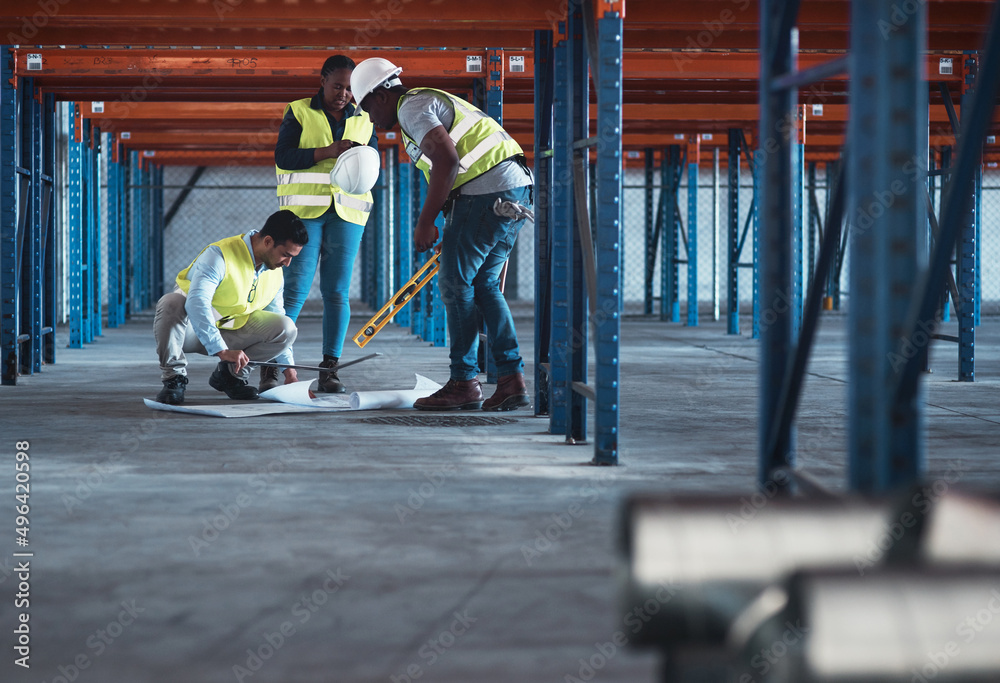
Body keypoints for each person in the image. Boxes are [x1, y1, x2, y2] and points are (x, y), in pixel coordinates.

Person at [351, 57, 533, 412]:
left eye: (367, 107)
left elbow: (448, 161)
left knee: (454, 284)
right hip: (513, 191)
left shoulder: (411, 107)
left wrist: (426, 221)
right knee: (483, 286)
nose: (370, 118)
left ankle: (464, 382)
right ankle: (511, 380)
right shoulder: (426, 103)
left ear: (381, 95)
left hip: (486, 194)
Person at [274, 54, 379, 394]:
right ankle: (275, 363)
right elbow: (284, 156)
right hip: (304, 214)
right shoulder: (299, 111)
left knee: (336, 292)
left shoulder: (365, 117)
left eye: (350, 89)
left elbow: (373, 166)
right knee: (295, 291)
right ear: (322, 81)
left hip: (347, 215)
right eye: (337, 86)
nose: (344, 94)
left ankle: (329, 367)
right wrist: (327, 151)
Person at [153, 210, 309, 405]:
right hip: (189, 331)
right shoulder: (219, 255)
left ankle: (231, 375)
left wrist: (290, 372)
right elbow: (197, 302)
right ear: (268, 241)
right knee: (171, 302)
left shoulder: (274, 271)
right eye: (285, 255)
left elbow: (276, 315)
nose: (287, 263)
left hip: (231, 332)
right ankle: (173, 379)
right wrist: (221, 351)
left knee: (286, 328)